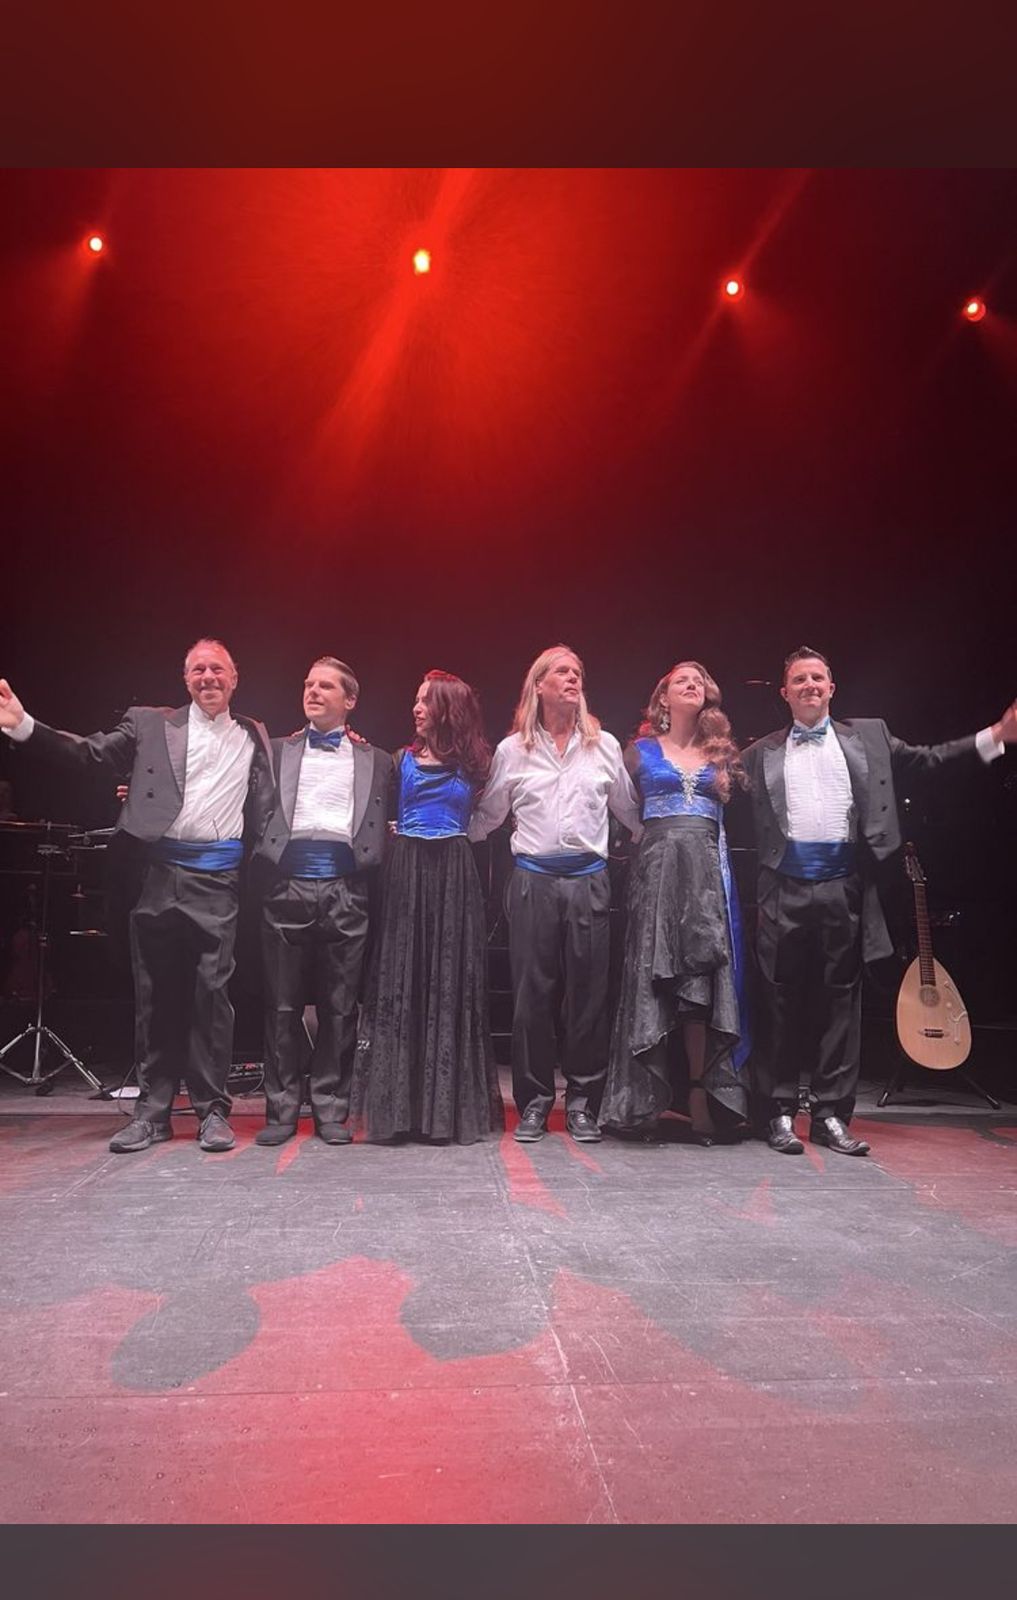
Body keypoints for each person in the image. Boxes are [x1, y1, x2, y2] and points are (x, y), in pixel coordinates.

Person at [742, 646, 1017, 1158]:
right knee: (778, 1002)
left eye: (817, 677)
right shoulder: (759, 753)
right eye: (799, 679)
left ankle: (830, 1116)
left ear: (831, 687)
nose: (809, 685)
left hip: (844, 885)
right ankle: (777, 1112)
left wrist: (996, 736)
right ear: (785, 693)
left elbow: (929, 760)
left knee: (840, 1005)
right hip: (782, 888)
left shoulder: (869, 736)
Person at [0, 641, 275, 1153]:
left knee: (212, 999)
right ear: (185, 679)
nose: (208, 676)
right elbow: (89, 753)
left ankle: (213, 1111)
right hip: (157, 875)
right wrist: (25, 726)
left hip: (218, 881)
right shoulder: (150, 724)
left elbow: (293, 770)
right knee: (156, 998)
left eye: (217, 668)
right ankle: (152, 1113)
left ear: (235, 678)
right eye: (198, 669)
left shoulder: (254, 735)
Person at [469, 645, 642, 1143]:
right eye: (561, 672)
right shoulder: (512, 750)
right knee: (532, 998)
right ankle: (534, 1103)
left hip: (589, 879)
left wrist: (664, 836)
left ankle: (584, 1103)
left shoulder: (604, 745)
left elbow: (630, 812)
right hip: (533, 881)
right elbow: (489, 815)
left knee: (588, 998)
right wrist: (439, 836)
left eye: (577, 672)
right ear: (539, 685)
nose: (572, 678)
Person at [600, 661, 750, 1146]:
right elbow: (612, 806)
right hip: (656, 877)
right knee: (653, 984)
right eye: (681, 679)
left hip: (705, 879)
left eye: (699, 680)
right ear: (663, 697)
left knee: (699, 989)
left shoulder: (721, 752)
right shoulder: (638, 752)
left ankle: (701, 1098)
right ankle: (642, 1099)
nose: (692, 684)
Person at [352, 670, 503, 1143]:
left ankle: (444, 1114)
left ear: (448, 709)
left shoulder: (477, 764)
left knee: (450, 981)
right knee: (405, 976)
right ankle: (400, 1111)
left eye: (425, 701)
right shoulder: (401, 761)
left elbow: (490, 816)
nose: (416, 709)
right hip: (408, 870)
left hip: (454, 871)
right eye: (416, 700)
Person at [253, 657, 391, 1146]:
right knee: (282, 1005)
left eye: (326, 686)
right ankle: (281, 1109)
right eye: (308, 684)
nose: (312, 691)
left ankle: (331, 1106)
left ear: (349, 700)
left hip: (346, 886)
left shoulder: (378, 759)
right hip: (286, 882)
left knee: (340, 1006)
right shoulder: (274, 750)